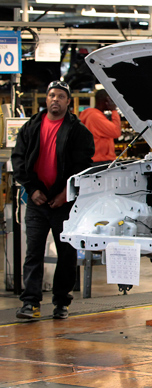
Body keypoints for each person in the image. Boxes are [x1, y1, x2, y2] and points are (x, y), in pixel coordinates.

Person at [11, 80, 95, 320]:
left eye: (60, 96)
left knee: (66, 254)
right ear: (46, 100)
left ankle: (61, 302)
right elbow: (19, 160)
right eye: (51, 96)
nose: (55, 99)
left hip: (64, 203)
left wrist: (65, 194)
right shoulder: (31, 127)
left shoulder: (78, 131)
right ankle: (30, 303)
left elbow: (82, 167)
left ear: (68, 102)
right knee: (33, 253)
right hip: (36, 201)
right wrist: (32, 188)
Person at [79, 89, 121, 164]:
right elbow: (116, 132)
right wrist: (114, 110)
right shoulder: (95, 116)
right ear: (107, 101)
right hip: (100, 160)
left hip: (96, 159)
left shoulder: (92, 115)